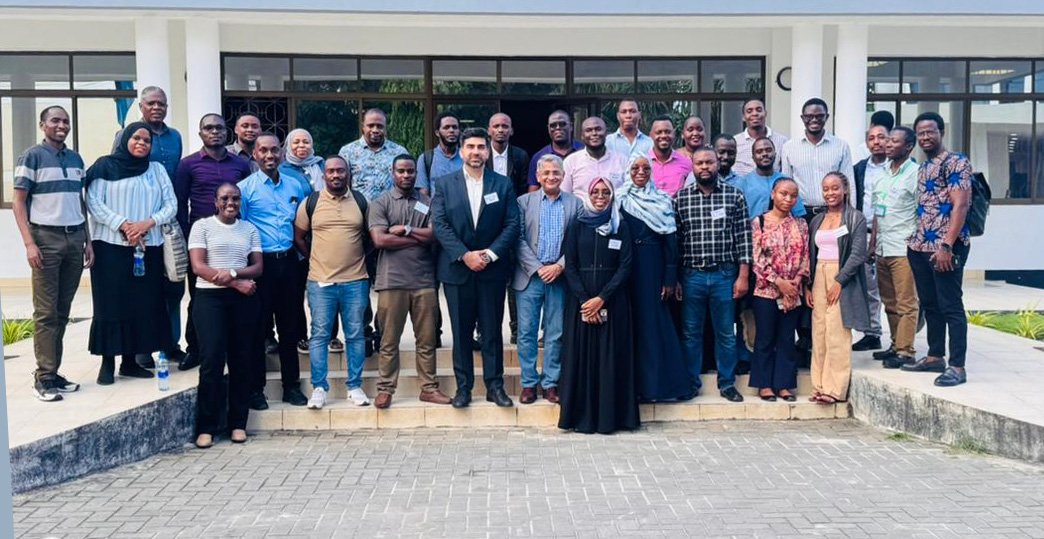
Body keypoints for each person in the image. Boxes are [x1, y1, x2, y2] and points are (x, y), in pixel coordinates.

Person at [431, 127, 519, 409]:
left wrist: (490, 255)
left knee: (492, 331)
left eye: (481, 147)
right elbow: (440, 224)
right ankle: (464, 388)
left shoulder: (502, 184)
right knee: (461, 333)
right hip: (458, 271)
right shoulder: (445, 184)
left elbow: (512, 224)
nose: (476, 152)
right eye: (470, 147)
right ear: (462, 151)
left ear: (488, 151)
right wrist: (464, 255)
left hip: (492, 271)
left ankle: (495, 387)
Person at [85, 122, 177, 384]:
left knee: (142, 305)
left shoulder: (156, 170)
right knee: (110, 305)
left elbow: (171, 204)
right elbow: (93, 202)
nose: (141, 143)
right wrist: (124, 225)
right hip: (110, 247)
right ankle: (107, 362)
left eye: (147, 140)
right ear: (124, 139)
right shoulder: (104, 166)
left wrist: (146, 224)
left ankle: (130, 362)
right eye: (136, 138)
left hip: (148, 247)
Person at [13, 105, 93, 401]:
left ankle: (53, 371)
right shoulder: (32, 156)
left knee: (62, 311)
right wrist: (29, 244)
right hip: (45, 239)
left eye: (65, 121)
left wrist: (88, 240)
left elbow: (79, 201)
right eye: (55, 120)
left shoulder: (75, 159)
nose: (62, 125)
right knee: (46, 312)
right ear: (42, 125)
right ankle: (44, 377)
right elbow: (19, 202)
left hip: (74, 238)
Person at [369, 154, 452, 408]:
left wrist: (405, 230)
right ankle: (385, 389)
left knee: (426, 340)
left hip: (424, 281)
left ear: (416, 173)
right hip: (391, 281)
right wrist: (418, 238)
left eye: (410, 171)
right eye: (401, 171)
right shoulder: (381, 203)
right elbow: (380, 240)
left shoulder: (428, 202)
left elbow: (435, 236)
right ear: (393, 173)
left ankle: (429, 388)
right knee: (388, 340)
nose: (406, 175)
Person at [112, 86, 185, 371]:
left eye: (162, 104)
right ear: (141, 106)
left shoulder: (175, 136)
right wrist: (127, 223)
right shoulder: (128, 134)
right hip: (137, 225)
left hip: (167, 221)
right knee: (143, 288)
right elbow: (117, 174)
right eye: (151, 103)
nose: (157, 108)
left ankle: (170, 343)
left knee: (173, 285)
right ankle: (143, 348)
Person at [174, 113, 253, 373]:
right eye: (209, 128)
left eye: (219, 128)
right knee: (200, 297)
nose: (215, 132)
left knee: (235, 294)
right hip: (202, 240)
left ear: (226, 132)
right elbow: (180, 203)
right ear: (201, 134)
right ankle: (195, 348)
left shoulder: (240, 164)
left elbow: (244, 200)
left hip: (234, 237)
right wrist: (188, 239)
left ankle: (230, 347)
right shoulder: (188, 165)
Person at [558, 179, 637, 434]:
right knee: (583, 359)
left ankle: (610, 419)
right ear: (588, 195)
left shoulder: (620, 225)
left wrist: (601, 298)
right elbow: (570, 265)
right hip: (581, 303)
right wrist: (585, 301)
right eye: (595, 192)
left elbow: (626, 266)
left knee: (609, 358)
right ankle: (582, 417)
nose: (600, 196)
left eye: (605, 192)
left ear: (612, 195)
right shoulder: (577, 224)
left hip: (613, 301)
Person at [187, 183, 262, 448]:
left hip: (242, 302)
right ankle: (206, 427)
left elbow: (257, 267)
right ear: (215, 201)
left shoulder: (249, 229)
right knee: (212, 360)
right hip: (210, 300)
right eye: (225, 198)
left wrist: (231, 273)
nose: (231, 203)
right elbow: (199, 266)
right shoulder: (202, 226)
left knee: (242, 359)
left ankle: (238, 424)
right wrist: (236, 282)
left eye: (235, 198)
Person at [238, 133, 310, 409]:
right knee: (257, 329)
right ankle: (256, 389)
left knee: (289, 328)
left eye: (274, 150)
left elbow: (302, 223)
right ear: (255, 154)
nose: (269, 155)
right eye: (263, 151)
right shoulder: (245, 189)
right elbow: (242, 229)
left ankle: (291, 386)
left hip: (289, 263)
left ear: (281, 152)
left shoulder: (295, 185)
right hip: (261, 265)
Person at [293, 156, 372, 409]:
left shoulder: (361, 201)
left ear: (348, 173)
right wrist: (315, 259)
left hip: (355, 280)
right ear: (324, 175)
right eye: (331, 171)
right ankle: (319, 388)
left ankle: (354, 386)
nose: (336, 175)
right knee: (319, 335)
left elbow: (371, 236)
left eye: (340, 171)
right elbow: (299, 237)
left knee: (355, 334)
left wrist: (357, 258)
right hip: (320, 281)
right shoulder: (311, 202)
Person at [900, 112, 973, 387]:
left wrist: (946, 245)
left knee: (950, 305)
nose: (925, 137)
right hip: (920, 245)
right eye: (920, 133)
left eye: (930, 131)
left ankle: (957, 366)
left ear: (941, 132)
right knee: (930, 304)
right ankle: (934, 356)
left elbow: (961, 205)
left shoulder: (956, 162)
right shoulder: (924, 167)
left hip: (945, 247)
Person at [674, 147, 751, 402]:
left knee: (726, 333)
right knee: (690, 334)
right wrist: (676, 279)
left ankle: (727, 383)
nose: (705, 167)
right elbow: (676, 243)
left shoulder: (734, 196)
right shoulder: (681, 198)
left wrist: (743, 275)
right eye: (699, 163)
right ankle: (691, 383)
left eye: (709, 162)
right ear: (693, 167)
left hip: (724, 275)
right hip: (692, 276)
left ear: (718, 164)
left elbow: (744, 238)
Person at [617, 155, 693, 402]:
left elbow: (671, 242)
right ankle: (633, 387)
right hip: (626, 268)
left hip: (653, 268)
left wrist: (670, 278)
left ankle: (658, 387)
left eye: (645, 168)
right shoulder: (619, 199)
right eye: (635, 168)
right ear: (627, 171)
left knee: (653, 323)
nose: (640, 172)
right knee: (630, 324)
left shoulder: (662, 200)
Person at [513, 154, 582, 405]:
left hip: (560, 277)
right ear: (538, 176)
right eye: (546, 173)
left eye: (556, 173)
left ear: (563, 176)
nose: (551, 177)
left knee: (556, 332)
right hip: (529, 277)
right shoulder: (523, 202)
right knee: (527, 332)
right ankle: (529, 383)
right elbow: (517, 238)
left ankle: (551, 382)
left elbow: (578, 241)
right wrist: (537, 268)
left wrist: (559, 266)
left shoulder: (576, 204)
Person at [806, 172, 871, 404]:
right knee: (819, 330)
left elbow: (858, 254)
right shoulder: (817, 220)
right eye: (826, 189)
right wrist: (808, 285)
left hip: (841, 275)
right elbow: (809, 254)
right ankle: (819, 385)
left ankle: (835, 389)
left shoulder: (855, 218)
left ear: (845, 190)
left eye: (835, 188)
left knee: (837, 331)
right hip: (819, 275)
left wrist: (839, 281)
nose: (830, 193)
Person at [749, 177, 808, 402]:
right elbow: (757, 259)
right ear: (773, 194)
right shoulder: (759, 222)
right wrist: (779, 282)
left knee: (787, 338)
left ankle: (784, 384)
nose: (788, 199)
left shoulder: (801, 225)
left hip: (792, 291)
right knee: (765, 338)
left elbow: (805, 257)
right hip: (766, 291)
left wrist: (796, 282)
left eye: (793, 195)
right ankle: (764, 384)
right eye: (783, 193)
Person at [871, 127, 921, 369]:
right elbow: (877, 212)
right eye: (888, 140)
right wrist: (872, 243)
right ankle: (895, 344)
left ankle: (905, 351)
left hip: (903, 249)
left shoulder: (915, 174)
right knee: (889, 301)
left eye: (894, 141)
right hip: (883, 247)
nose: (887, 144)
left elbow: (923, 211)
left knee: (906, 303)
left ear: (908, 146)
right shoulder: (882, 173)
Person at [487, 112, 532, 345]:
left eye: (505, 126)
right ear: (489, 130)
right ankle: (486, 330)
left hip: (512, 221)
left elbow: (523, 188)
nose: (501, 130)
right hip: (486, 223)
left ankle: (516, 329)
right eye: (496, 126)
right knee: (489, 280)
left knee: (515, 278)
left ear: (511, 130)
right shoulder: (482, 154)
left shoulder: (520, 155)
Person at [851, 124, 890, 352]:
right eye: (872, 138)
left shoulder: (899, 167)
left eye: (881, 137)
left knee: (894, 288)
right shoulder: (859, 168)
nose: (877, 142)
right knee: (870, 286)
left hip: (893, 233)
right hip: (865, 233)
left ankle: (901, 338)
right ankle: (872, 332)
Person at [781, 98, 856, 215]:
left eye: (819, 116)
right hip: (800, 213)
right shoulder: (789, 147)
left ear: (827, 117)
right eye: (809, 116)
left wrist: (850, 213)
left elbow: (849, 183)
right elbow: (786, 184)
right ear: (802, 118)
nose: (814, 120)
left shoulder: (841, 146)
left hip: (833, 211)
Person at [338, 108, 409, 203]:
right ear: (363, 127)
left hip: (392, 209)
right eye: (371, 126)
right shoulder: (347, 152)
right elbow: (342, 186)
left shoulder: (399, 152)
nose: (375, 130)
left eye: (380, 126)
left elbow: (407, 185)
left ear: (385, 128)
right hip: (358, 209)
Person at [732, 137, 806, 219]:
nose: (764, 154)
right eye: (759, 151)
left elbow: (799, 215)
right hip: (752, 226)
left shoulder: (787, 182)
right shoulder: (742, 183)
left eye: (768, 150)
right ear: (753, 157)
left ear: (775, 154)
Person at [562, 117, 627, 203]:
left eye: (598, 129)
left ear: (606, 133)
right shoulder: (571, 162)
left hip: (615, 211)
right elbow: (565, 196)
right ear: (582, 136)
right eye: (588, 130)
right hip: (581, 211)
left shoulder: (622, 160)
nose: (594, 133)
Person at [526, 110, 583, 191]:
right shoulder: (539, 157)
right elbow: (533, 191)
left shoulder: (583, 151)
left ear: (571, 126)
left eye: (562, 124)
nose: (558, 128)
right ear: (548, 129)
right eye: (553, 125)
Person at [733, 99, 788, 176]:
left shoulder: (782, 141)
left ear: (765, 113)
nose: (755, 113)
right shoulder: (735, 142)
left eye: (759, 110)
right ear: (743, 117)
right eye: (749, 111)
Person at [417, 112, 462, 196]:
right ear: (437, 132)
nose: (451, 130)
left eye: (455, 127)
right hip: (436, 204)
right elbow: (423, 194)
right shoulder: (426, 159)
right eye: (446, 127)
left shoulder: (467, 158)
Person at [648, 115, 693, 197]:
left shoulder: (687, 164)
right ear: (650, 135)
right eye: (658, 132)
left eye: (668, 132)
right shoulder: (643, 163)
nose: (663, 136)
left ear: (674, 134)